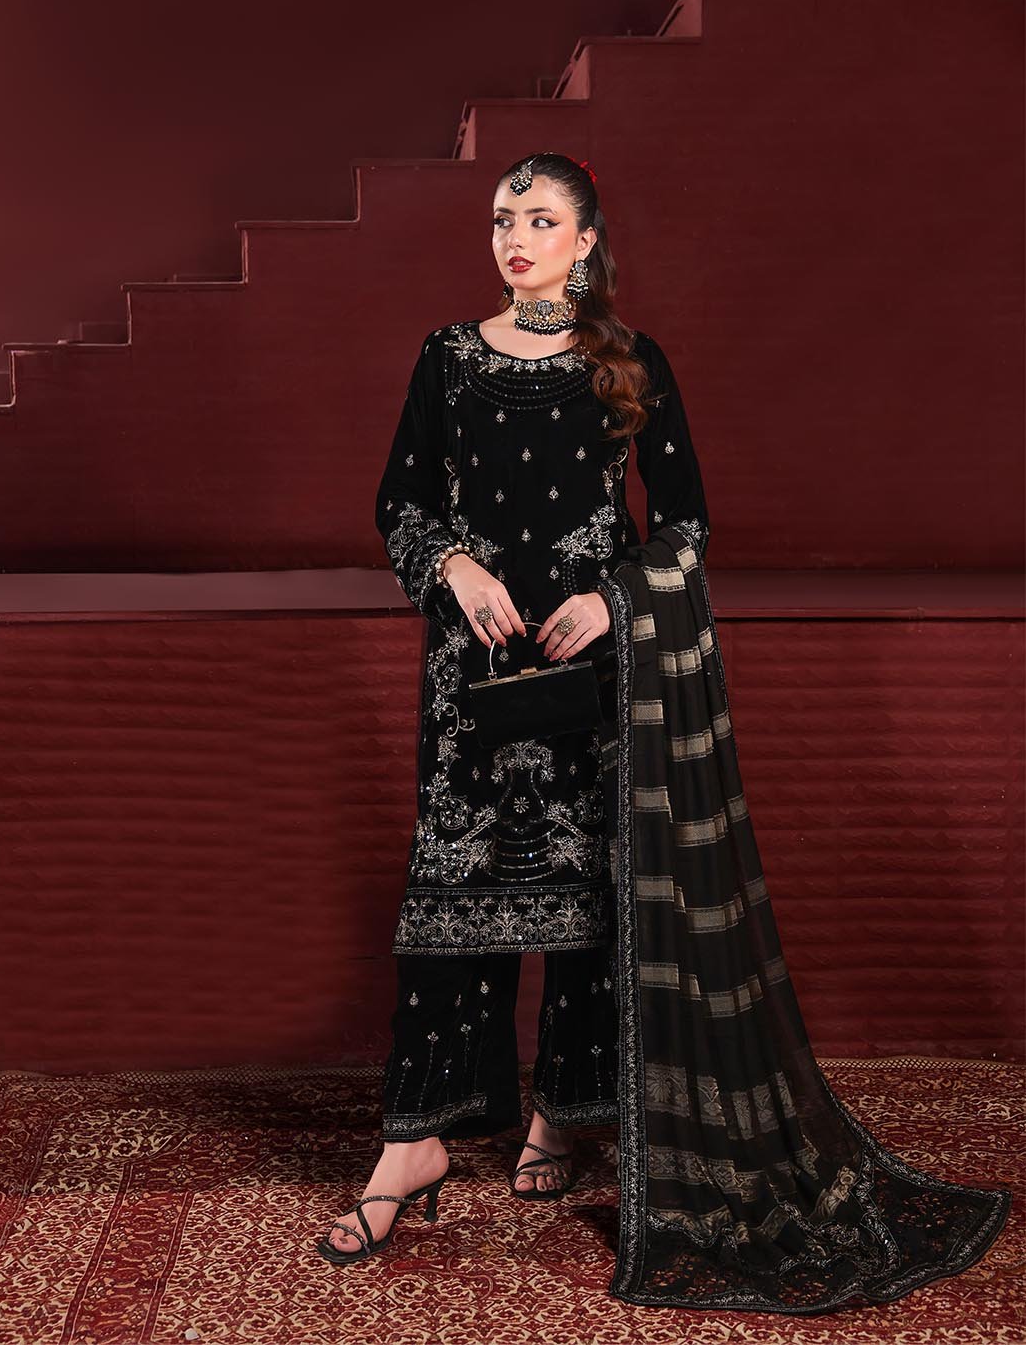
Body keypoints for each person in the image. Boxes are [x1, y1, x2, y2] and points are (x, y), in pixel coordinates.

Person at [317, 152, 1012, 1312]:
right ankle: (413, 1143)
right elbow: (400, 501)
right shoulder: (445, 358)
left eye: (541, 219)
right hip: (470, 670)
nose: (515, 237)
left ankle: (562, 1111)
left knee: (596, 905)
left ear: (586, 239)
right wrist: (451, 566)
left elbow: (683, 522)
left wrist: (613, 600)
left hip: (598, 670)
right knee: (450, 905)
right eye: (501, 218)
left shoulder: (629, 361)